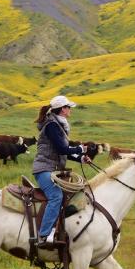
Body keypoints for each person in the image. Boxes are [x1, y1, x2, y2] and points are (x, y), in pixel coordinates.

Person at [32, 95, 91, 249]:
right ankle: (43, 236)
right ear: (62, 109)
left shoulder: (58, 125)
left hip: (52, 170)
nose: (70, 110)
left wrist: (81, 158)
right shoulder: (52, 125)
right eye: (68, 107)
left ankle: (59, 231)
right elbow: (61, 149)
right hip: (44, 169)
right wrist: (79, 149)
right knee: (56, 196)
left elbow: (63, 152)